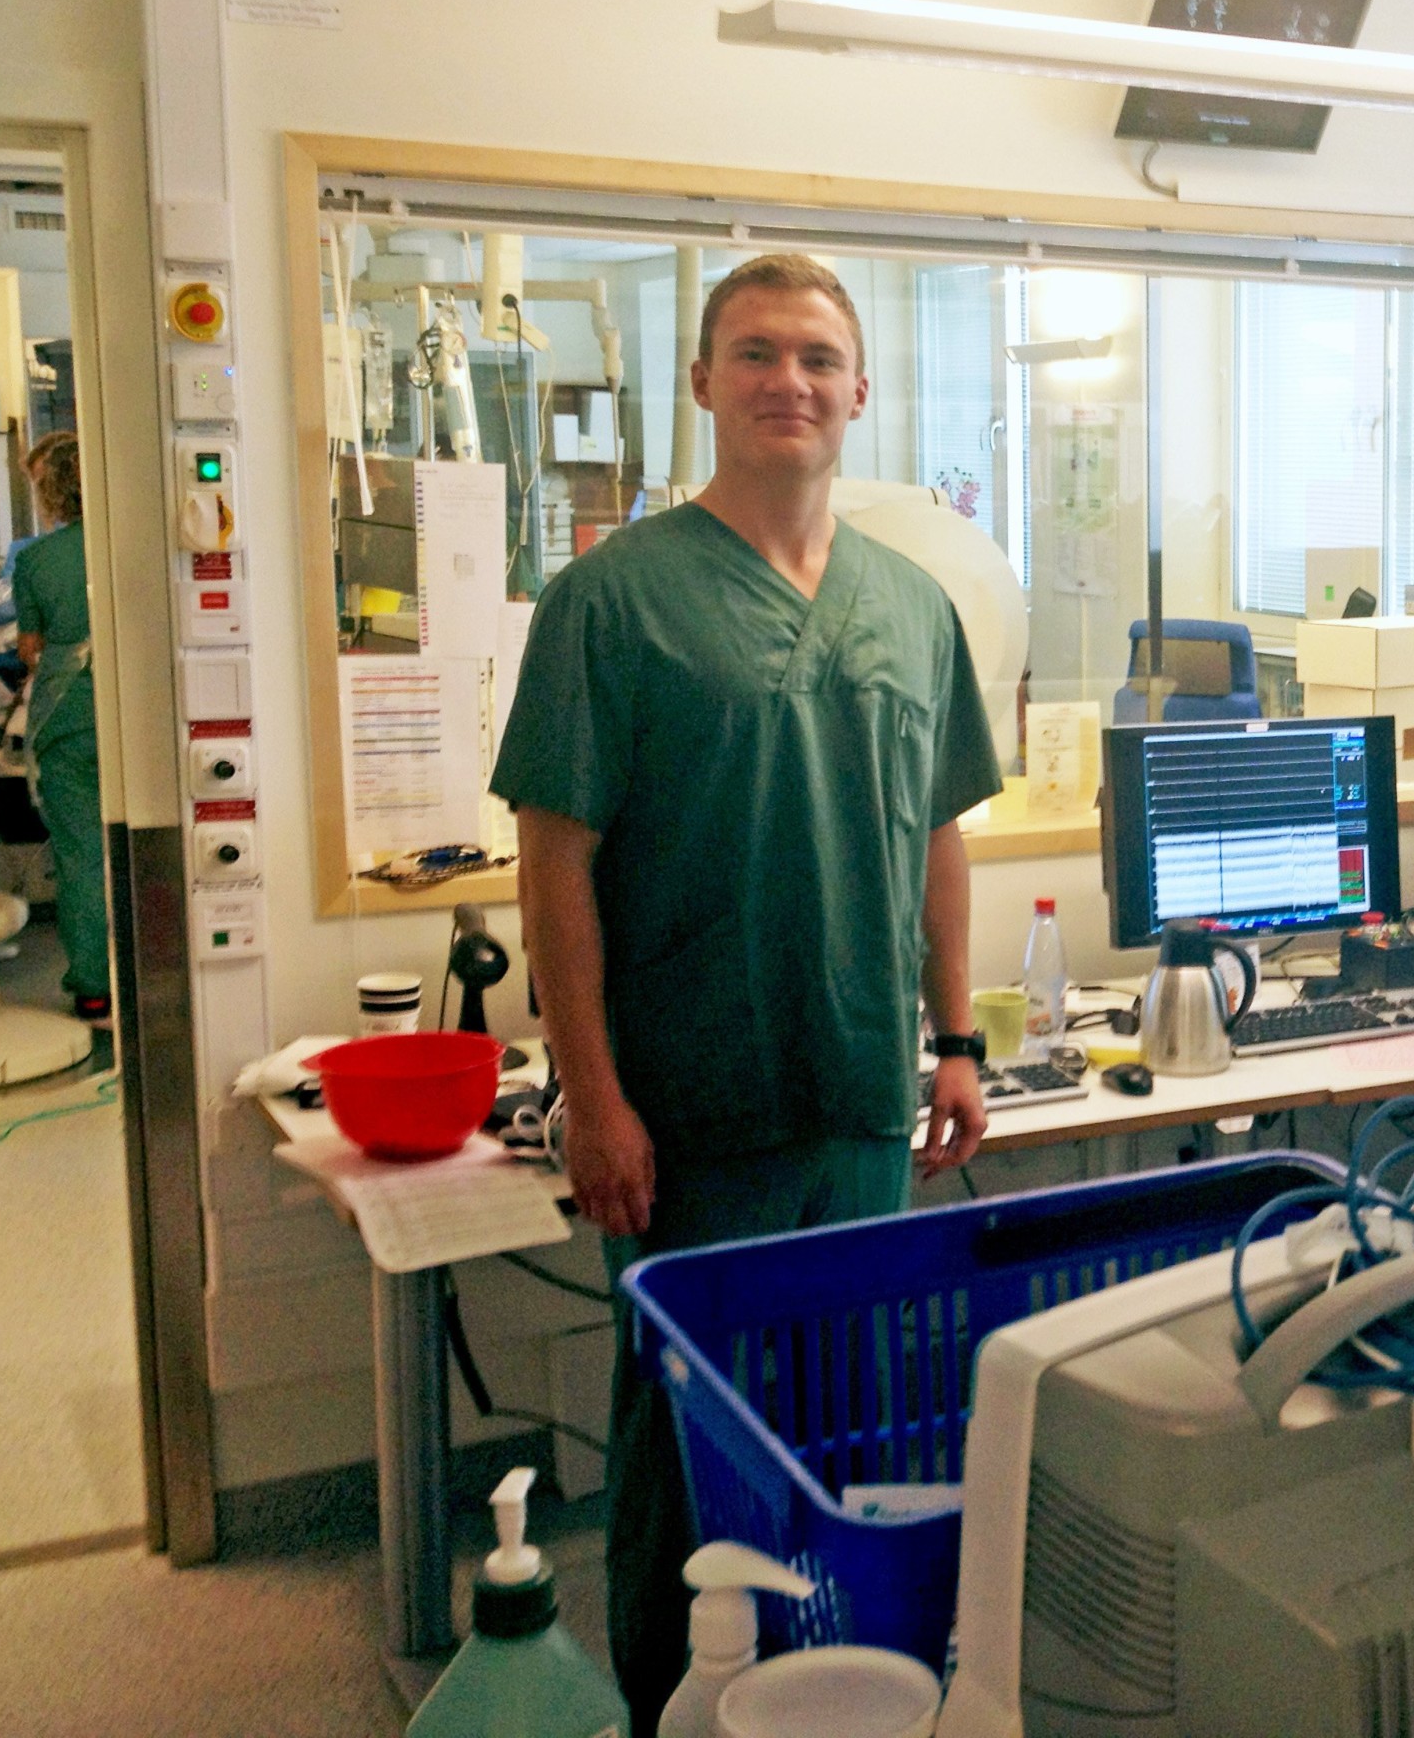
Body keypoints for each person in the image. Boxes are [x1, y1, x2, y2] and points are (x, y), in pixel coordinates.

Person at [490, 252, 1002, 1727]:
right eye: (759, 354)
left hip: (857, 1099)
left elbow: (938, 835)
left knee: (849, 1425)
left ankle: (837, 1693)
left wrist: (955, 1040)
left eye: (819, 358)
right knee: (686, 1441)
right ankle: (674, 1708)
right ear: (705, 384)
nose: (793, 382)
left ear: (860, 391)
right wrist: (594, 1102)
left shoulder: (916, 603)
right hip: (686, 1113)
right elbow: (556, 867)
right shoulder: (610, 603)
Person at [11, 431, 109, 1023]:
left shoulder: (37, 561)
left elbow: (30, 649)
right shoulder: (132, 547)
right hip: (133, 719)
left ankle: (94, 989)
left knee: (81, 859)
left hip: (67, 724)